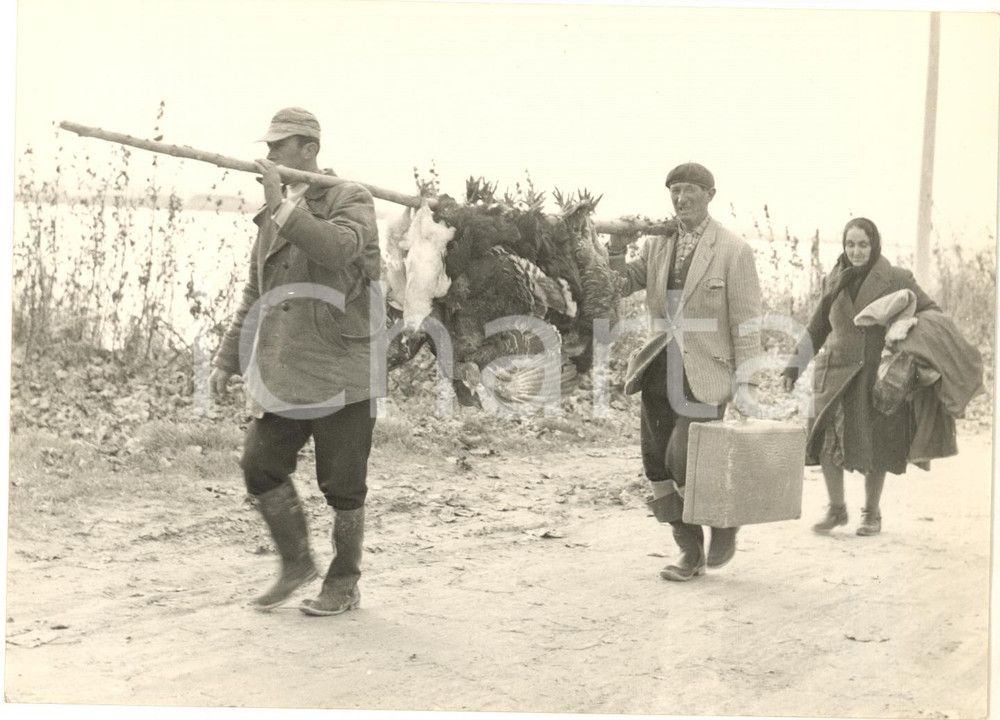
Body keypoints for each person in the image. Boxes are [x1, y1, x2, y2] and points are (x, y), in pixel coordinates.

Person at [210, 107, 382, 615]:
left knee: (343, 485)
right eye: (267, 148)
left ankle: (344, 582)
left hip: (342, 370)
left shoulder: (351, 198)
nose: (267, 156)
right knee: (259, 466)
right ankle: (296, 564)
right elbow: (253, 292)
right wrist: (228, 359)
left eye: (277, 147)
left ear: (308, 149)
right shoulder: (276, 211)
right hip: (284, 371)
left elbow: (336, 250)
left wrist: (280, 208)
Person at [609, 162, 763, 581]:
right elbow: (617, 284)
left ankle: (725, 522)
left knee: (686, 459)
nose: (681, 199)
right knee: (656, 465)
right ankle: (689, 550)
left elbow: (747, 322)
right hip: (660, 366)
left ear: (710, 195)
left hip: (708, 373)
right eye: (675, 190)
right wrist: (616, 248)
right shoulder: (659, 245)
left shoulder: (733, 250)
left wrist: (747, 381)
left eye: (690, 190)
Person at [781, 217, 938, 537]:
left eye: (863, 244)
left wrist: (906, 337)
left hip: (876, 374)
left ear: (874, 244)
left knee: (877, 440)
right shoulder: (834, 279)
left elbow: (930, 312)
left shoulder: (897, 279)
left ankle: (872, 513)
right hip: (835, 371)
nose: (856, 251)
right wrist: (794, 366)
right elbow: (818, 326)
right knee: (826, 438)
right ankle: (837, 510)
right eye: (850, 244)